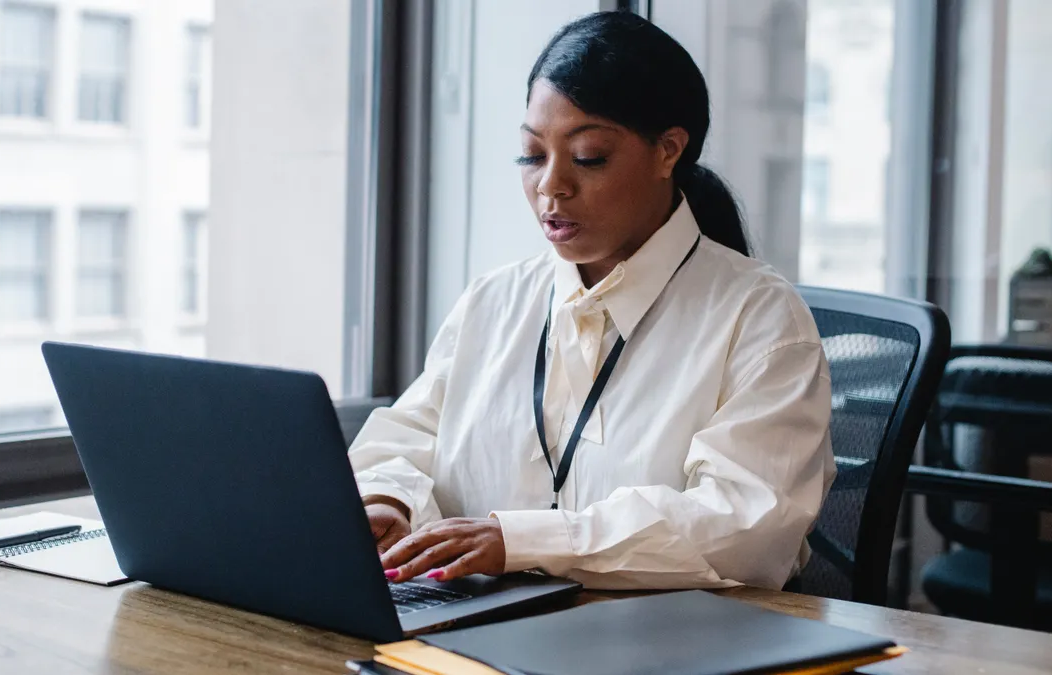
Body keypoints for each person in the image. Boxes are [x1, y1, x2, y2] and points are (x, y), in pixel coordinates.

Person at [349, 11, 835, 591]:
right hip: (479, 625)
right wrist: (387, 501)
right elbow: (405, 437)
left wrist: (524, 541)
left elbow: (746, 528)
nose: (551, 185)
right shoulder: (493, 302)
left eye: (588, 157)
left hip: (668, 645)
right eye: (531, 156)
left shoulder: (759, 318)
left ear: (668, 152)